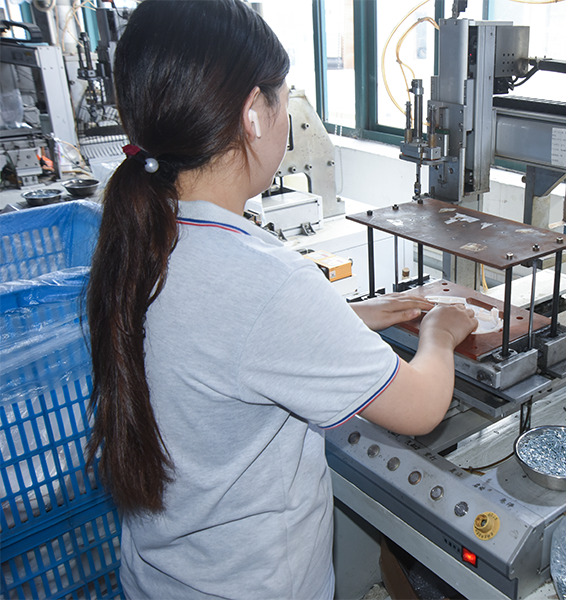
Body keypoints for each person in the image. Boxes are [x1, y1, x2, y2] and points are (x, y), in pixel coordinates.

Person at [84, 1, 477, 599]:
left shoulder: (142, 235)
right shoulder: (266, 280)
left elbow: (214, 341)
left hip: (164, 579)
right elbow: (421, 406)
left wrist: (346, 317)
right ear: (253, 113)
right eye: (284, 100)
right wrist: (440, 332)